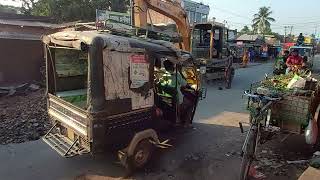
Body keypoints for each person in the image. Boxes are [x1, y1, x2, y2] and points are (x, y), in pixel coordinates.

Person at [162, 60, 194, 127]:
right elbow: (185, 84)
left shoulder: (163, 75)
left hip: (167, 98)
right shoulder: (176, 75)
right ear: (172, 66)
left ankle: (179, 118)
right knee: (190, 104)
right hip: (177, 99)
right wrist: (191, 86)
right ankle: (186, 124)